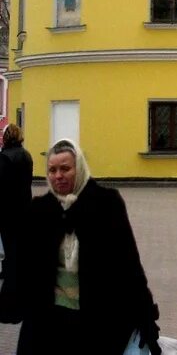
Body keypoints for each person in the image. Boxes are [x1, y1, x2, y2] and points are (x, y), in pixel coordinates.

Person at [15, 139, 162, 355]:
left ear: (80, 168)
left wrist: (146, 317)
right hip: (49, 322)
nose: (58, 176)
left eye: (65, 169)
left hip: (98, 321)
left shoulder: (106, 204)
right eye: (52, 170)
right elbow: (24, 265)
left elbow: (129, 264)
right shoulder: (40, 210)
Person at [0, 124, 34, 321]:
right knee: (19, 253)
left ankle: (10, 304)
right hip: (24, 209)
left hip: (7, 213)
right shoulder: (27, 156)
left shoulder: (4, 158)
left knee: (12, 255)